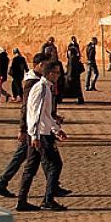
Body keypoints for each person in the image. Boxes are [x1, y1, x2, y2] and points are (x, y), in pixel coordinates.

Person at [16, 60, 69, 211]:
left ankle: (22, 200)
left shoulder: (44, 88)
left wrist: (56, 129)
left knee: (31, 167)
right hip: (40, 134)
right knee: (55, 164)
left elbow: (45, 115)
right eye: (57, 73)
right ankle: (48, 199)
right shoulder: (43, 89)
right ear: (50, 73)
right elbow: (37, 114)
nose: (58, 76)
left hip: (40, 132)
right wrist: (35, 136)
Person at [64, 36, 84, 104]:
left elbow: (71, 68)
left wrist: (69, 75)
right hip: (76, 75)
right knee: (77, 88)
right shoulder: (73, 57)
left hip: (73, 76)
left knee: (76, 88)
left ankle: (79, 99)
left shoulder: (72, 59)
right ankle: (79, 99)